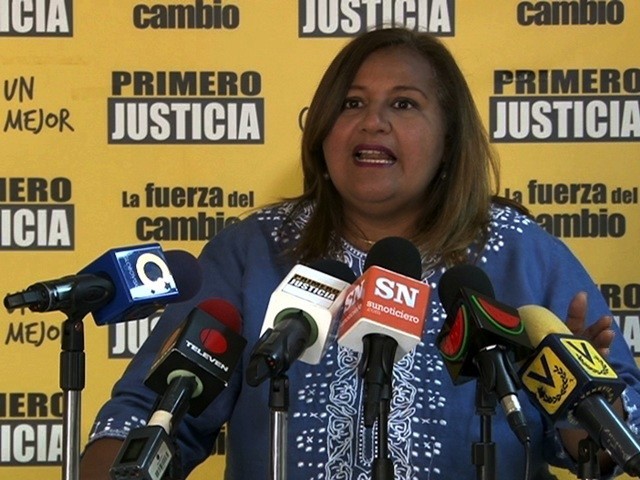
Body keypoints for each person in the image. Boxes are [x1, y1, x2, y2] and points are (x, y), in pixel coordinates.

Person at [80, 27, 640, 479]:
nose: (373, 121)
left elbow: (605, 450)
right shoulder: (253, 251)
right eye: (352, 103)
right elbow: (144, 418)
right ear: (323, 131)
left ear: (449, 139)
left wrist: (583, 401)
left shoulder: (521, 253)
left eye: (404, 103)